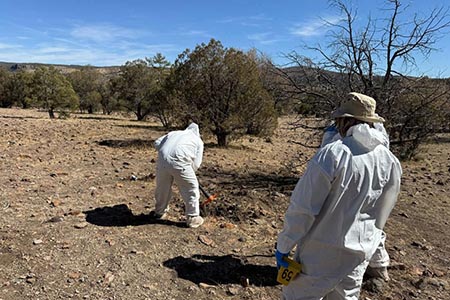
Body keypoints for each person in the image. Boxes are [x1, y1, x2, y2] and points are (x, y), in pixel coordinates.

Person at [275, 92, 402, 299]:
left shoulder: (333, 154)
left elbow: (303, 208)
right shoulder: (390, 161)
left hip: (319, 256)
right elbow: (383, 212)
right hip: (358, 256)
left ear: (345, 121)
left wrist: (284, 245)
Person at [150, 122, 205, 228]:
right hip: (181, 163)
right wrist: (185, 173)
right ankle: (193, 218)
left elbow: (157, 143)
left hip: (162, 162)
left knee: (162, 188)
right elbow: (196, 164)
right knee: (191, 188)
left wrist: (165, 153)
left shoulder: (173, 133)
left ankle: (159, 212)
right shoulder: (198, 141)